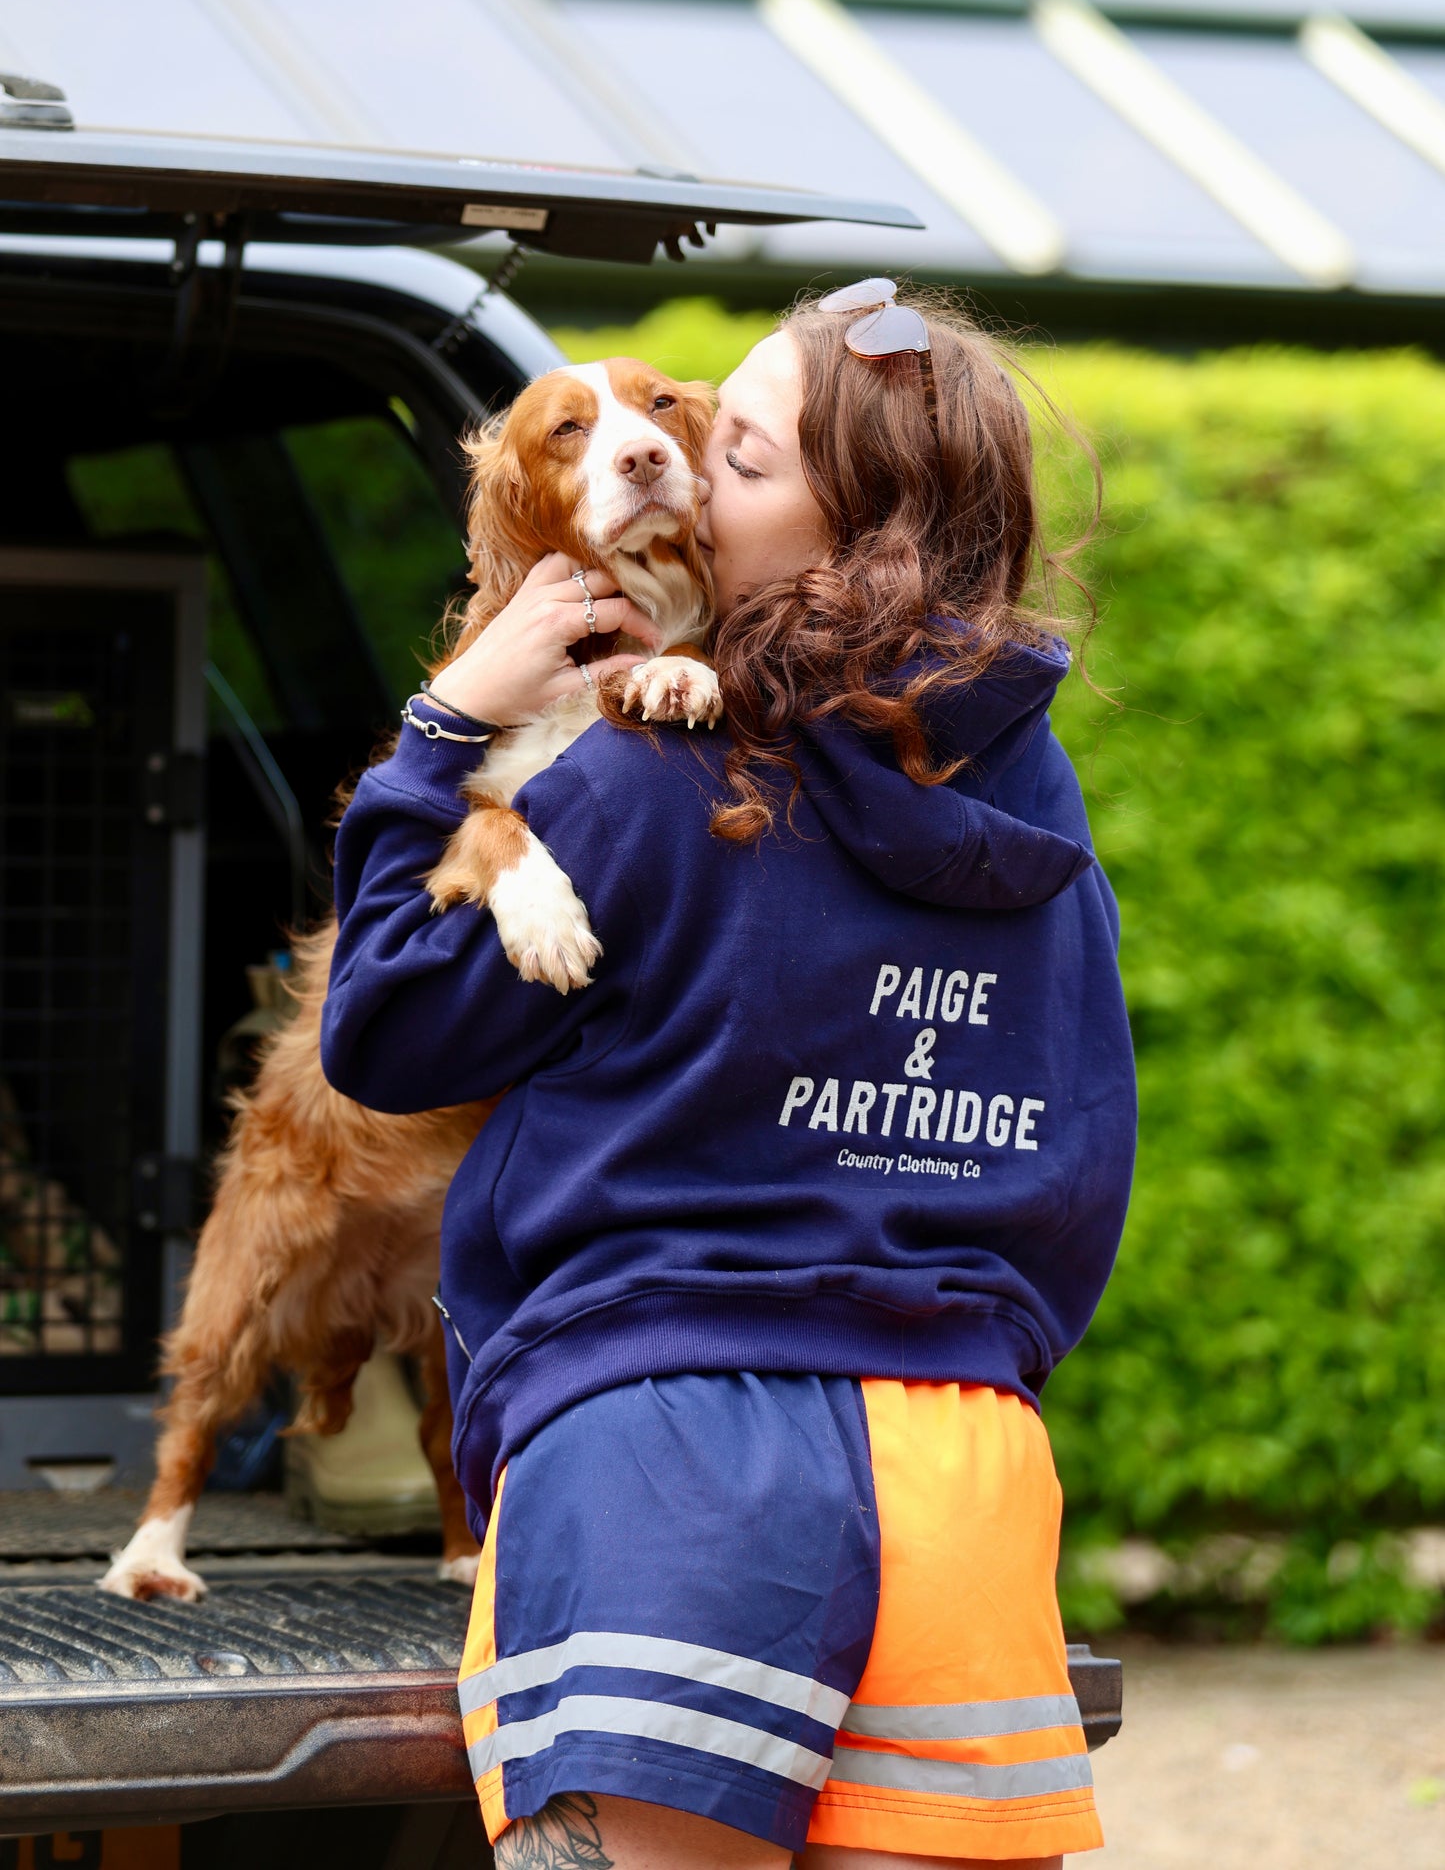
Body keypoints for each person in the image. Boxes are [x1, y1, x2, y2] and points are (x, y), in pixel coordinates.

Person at [320, 282, 1136, 1870]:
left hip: (661, 1459)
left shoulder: (645, 776)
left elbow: (388, 1037)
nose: (679, 465)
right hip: (961, 1463)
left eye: (732, 451)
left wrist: (437, 732)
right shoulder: (1037, 796)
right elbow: (1086, 1128)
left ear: (841, 542)